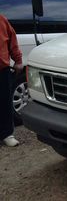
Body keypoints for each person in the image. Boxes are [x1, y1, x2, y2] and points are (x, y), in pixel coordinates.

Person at [0, 14, 22, 147]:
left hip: (2, 70)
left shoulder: (1, 19)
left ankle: (7, 134)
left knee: (4, 103)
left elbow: (12, 40)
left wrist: (18, 60)